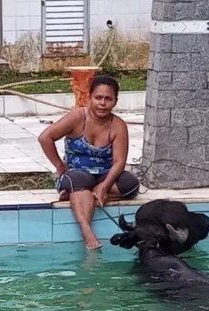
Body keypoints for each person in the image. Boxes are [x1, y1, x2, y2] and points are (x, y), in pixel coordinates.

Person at [38, 74, 141, 250]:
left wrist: (104, 187)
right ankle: (87, 231)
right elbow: (45, 138)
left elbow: (119, 162)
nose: (102, 103)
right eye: (98, 98)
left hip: (104, 175)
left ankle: (78, 195)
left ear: (115, 102)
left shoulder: (118, 125)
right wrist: (60, 166)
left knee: (131, 184)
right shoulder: (77, 117)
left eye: (108, 99)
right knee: (79, 181)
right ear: (89, 98)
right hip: (76, 174)